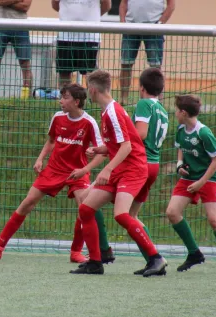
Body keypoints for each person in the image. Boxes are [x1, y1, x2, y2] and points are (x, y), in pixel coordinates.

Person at [0, 84, 106, 262]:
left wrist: (85, 168)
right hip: (54, 170)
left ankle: (75, 252)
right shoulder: (58, 117)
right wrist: (40, 158)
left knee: (84, 207)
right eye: (61, 97)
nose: (60, 101)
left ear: (77, 101)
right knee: (27, 203)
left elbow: (102, 152)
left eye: (65, 97)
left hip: (77, 172)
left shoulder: (89, 122)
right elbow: (51, 141)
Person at [69, 70, 166, 276]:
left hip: (132, 169)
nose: (89, 92)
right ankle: (96, 262)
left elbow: (127, 147)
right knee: (86, 209)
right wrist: (100, 149)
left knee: (122, 215)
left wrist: (107, 168)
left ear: (93, 90)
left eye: (88, 89)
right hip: (121, 168)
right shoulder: (107, 111)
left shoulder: (113, 112)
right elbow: (117, 144)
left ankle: (156, 259)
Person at [165, 95, 216, 275]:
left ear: (183, 112)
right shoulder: (181, 129)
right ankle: (194, 253)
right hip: (189, 178)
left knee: (214, 220)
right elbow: (181, 148)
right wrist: (180, 165)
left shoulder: (204, 133)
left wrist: (201, 183)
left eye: (176, 110)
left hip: (208, 178)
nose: (175, 113)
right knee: (172, 212)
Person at [128, 67, 168, 274]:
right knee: (131, 215)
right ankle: (153, 260)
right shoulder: (162, 109)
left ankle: (99, 254)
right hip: (153, 163)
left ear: (141, 87)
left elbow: (141, 134)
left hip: (140, 163)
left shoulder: (144, 104)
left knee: (93, 199)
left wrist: (121, 141)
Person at [119, 0, 175, 105]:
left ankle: (158, 100)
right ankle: (123, 99)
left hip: (154, 28)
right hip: (130, 27)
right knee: (125, 63)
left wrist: (160, 23)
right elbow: (123, 3)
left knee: (156, 67)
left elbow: (171, 5)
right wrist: (123, 23)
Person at [51, 0, 111, 88]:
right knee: (64, 72)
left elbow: (106, 5)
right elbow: (55, 4)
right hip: (65, 35)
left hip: (90, 36)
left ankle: (91, 99)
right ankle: (66, 98)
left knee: (90, 73)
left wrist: (93, 18)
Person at [0, 0, 33, 99]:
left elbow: (25, 6)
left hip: (21, 26)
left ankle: (26, 98)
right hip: (0, 25)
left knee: (25, 63)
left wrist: (4, 2)